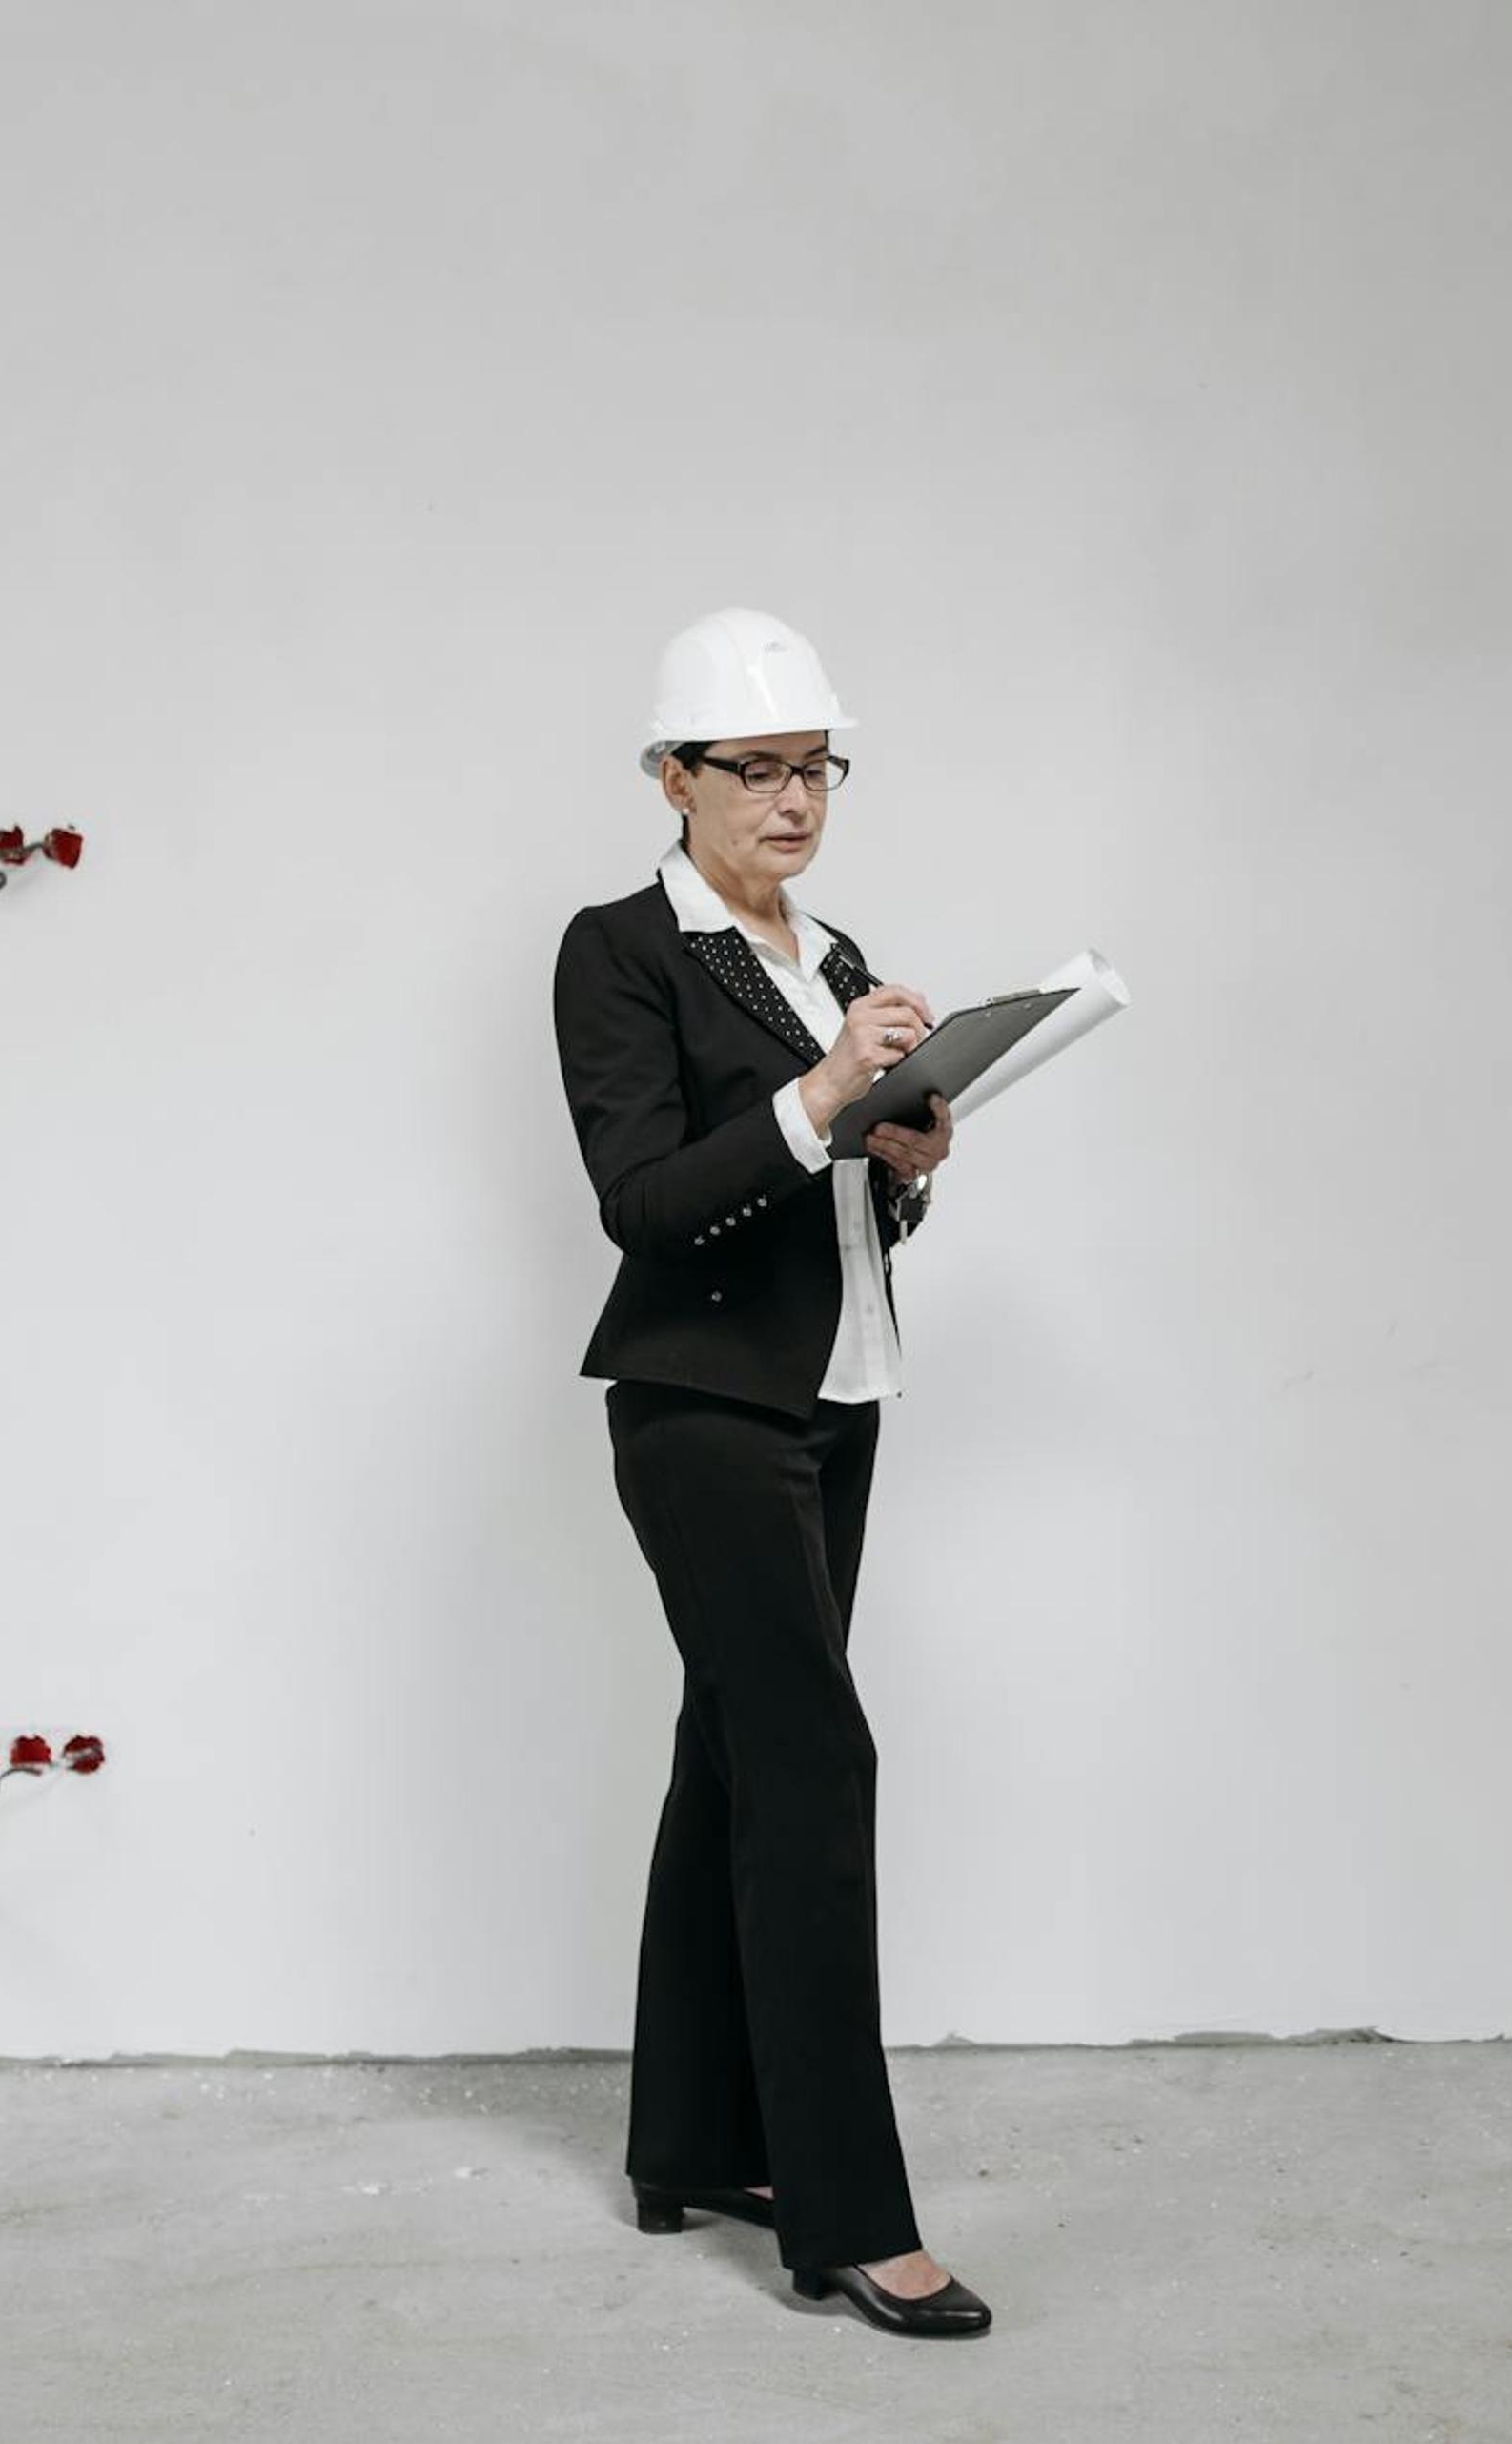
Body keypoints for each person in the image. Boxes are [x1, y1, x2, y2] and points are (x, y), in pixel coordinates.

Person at [548, 607, 991, 2340]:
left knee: (733, 1761)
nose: (798, 799)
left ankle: (691, 2143)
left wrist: (912, 1155)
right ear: (676, 778)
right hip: (699, 1405)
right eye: (761, 769)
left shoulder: (832, 945)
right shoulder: (620, 950)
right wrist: (821, 1092)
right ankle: (847, 2216)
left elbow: (843, 1203)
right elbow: (645, 1205)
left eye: (819, 767)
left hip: (837, 1396)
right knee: (814, 1770)